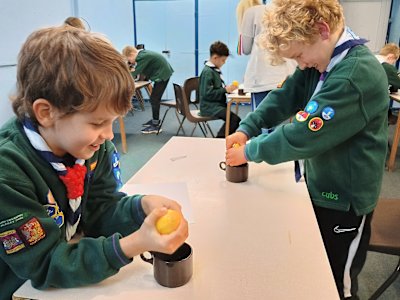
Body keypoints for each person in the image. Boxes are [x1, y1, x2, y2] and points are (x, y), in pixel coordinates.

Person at [0, 26, 188, 300]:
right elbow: (42, 265)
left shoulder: (91, 148)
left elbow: (101, 210)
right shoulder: (8, 171)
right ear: (46, 112)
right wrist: (131, 245)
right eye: (98, 122)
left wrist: (140, 207)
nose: (109, 135)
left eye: (113, 121)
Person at [225, 0, 388, 299]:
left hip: (345, 199)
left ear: (322, 30)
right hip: (322, 182)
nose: (301, 64)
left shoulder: (354, 75)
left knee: (338, 281)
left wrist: (249, 152)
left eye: (300, 55)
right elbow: (287, 94)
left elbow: (303, 135)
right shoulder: (323, 57)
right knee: (316, 264)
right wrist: (248, 127)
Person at [237, 3, 296, 111]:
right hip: (289, 76)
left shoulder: (252, 12)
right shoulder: (294, 9)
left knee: (260, 122)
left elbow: (245, 49)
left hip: (261, 78)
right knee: (287, 121)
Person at [122, 46, 174, 134]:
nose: (130, 62)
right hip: (164, 72)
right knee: (154, 99)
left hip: (162, 75)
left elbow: (134, 73)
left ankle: (155, 126)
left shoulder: (141, 57)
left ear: (131, 54)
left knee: (154, 99)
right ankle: (155, 120)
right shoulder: (142, 53)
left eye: (129, 60)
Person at [199, 41, 239, 138]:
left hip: (216, 105)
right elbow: (207, 93)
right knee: (234, 119)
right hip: (209, 107)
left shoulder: (213, 70)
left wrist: (226, 89)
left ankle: (222, 139)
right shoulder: (208, 72)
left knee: (234, 119)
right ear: (215, 57)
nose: (224, 63)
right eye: (223, 60)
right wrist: (225, 90)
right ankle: (218, 140)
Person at [375, 43, 400, 124]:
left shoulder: (371, 58)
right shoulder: (387, 67)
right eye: (393, 61)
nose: (393, 64)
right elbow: (397, 84)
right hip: (375, 104)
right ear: (391, 56)